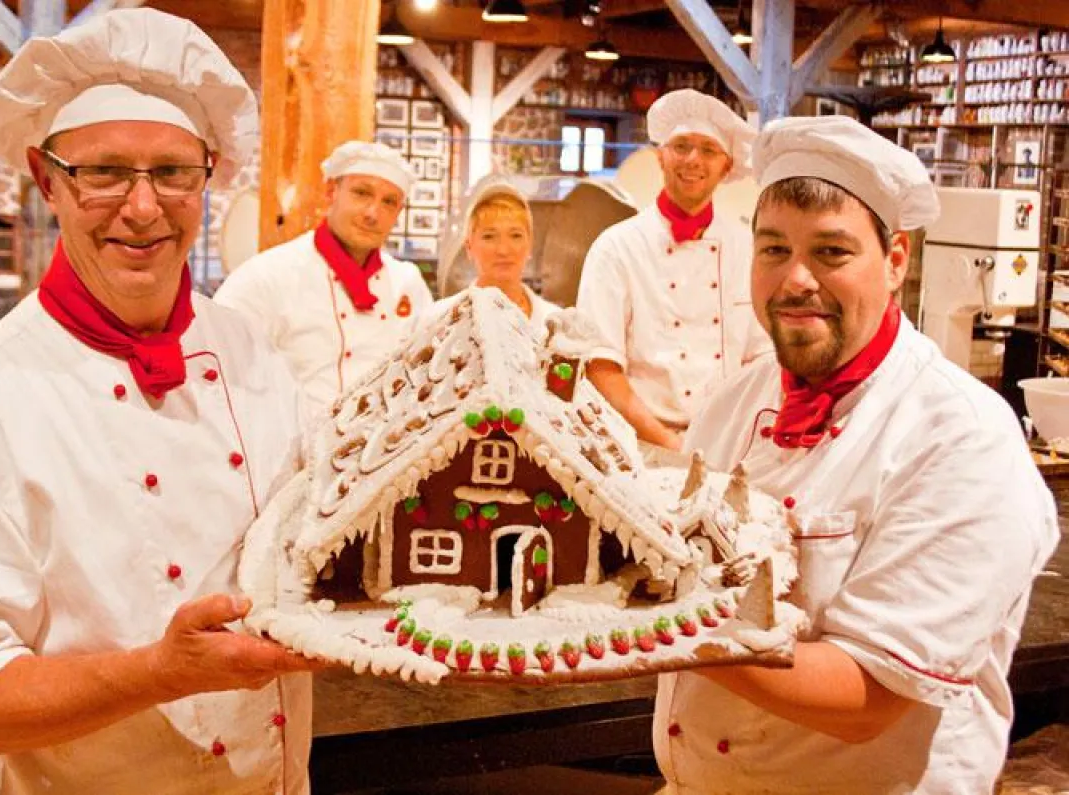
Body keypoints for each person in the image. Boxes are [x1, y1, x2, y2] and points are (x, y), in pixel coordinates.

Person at [0, 10, 315, 794]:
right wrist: (161, 670)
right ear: (48, 178)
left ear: (207, 175)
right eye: (104, 171)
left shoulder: (253, 353)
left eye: (173, 172)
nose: (143, 208)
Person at [653, 115, 1060, 794]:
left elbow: (867, 695)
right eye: (774, 249)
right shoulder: (730, 406)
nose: (796, 279)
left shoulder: (960, 437)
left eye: (832, 252)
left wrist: (651, 624)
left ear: (896, 259)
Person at [576, 89, 771, 452]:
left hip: (727, 443)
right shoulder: (616, 248)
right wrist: (668, 443)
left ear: (727, 167)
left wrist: (739, 438)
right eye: (681, 146)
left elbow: (762, 361)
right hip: (637, 446)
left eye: (709, 150)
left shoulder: (748, 249)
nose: (693, 160)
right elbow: (600, 368)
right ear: (660, 157)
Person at [214, 140, 433, 417]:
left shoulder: (407, 283)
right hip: (293, 453)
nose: (372, 213)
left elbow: (427, 369)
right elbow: (220, 368)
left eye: (388, 202)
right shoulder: (267, 276)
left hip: (384, 451)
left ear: (399, 213)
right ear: (332, 191)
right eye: (362, 193)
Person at [424, 180, 559, 334]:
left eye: (515, 235)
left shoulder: (555, 325)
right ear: (469, 247)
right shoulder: (437, 321)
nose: (503, 250)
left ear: (530, 245)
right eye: (489, 236)